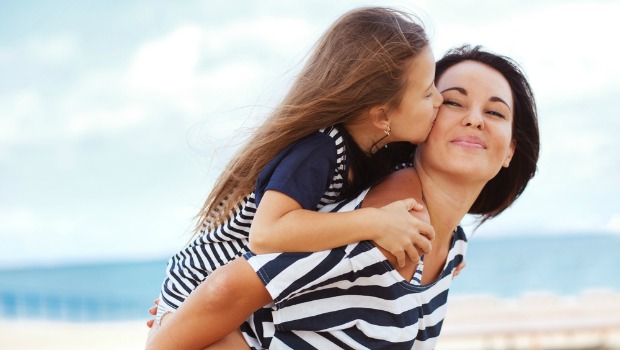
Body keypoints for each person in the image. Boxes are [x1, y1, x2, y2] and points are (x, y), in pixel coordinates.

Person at [145, 44, 540, 350]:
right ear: (421, 118)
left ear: (509, 152)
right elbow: (230, 287)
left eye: (496, 112)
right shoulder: (387, 223)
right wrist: (170, 329)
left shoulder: (450, 247)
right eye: (452, 101)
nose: (474, 118)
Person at [154, 6, 444, 328]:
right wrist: (375, 221)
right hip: (198, 285)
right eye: (427, 91)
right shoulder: (320, 149)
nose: (440, 99)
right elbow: (266, 233)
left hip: (245, 293)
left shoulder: (383, 149)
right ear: (381, 116)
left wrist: (442, 254)